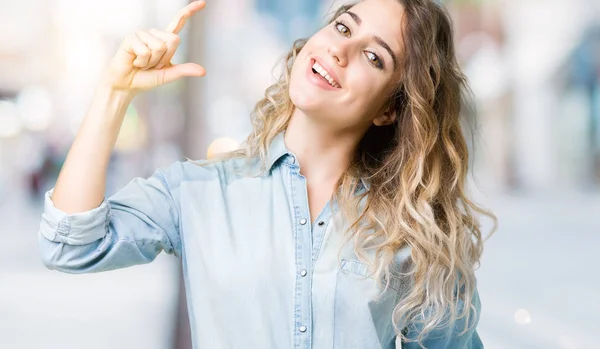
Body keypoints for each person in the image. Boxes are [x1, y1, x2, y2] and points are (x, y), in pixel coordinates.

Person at [38, 0, 495, 348]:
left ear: (390, 109)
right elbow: (70, 245)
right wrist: (115, 92)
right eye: (342, 27)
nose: (340, 50)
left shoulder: (411, 230)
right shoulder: (200, 191)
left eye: (373, 57)